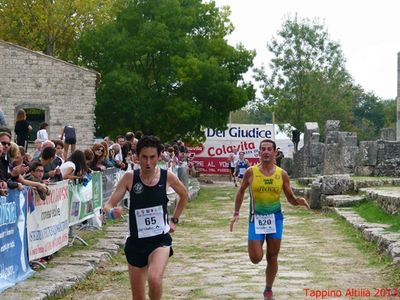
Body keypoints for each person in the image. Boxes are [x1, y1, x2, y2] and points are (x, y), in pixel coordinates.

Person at [103, 135, 188, 300]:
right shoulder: (130, 178)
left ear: (159, 157)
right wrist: (113, 213)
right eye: (144, 157)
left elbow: (184, 194)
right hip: (136, 242)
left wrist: (174, 219)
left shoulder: (167, 176)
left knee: (155, 279)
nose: (148, 162)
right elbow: (108, 204)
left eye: (152, 157)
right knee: (138, 297)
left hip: (159, 240)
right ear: (137, 157)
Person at [230, 139, 310, 300]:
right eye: (263, 149)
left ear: (275, 152)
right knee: (255, 258)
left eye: (269, 149)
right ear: (259, 153)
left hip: (275, 219)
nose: (266, 152)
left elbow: (290, 197)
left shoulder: (282, 174)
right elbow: (241, 192)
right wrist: (236, 213)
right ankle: (259, 247)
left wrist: (298, 201)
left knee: (272, 256)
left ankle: (268, 289)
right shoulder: (251, 172)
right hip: (256, 218)